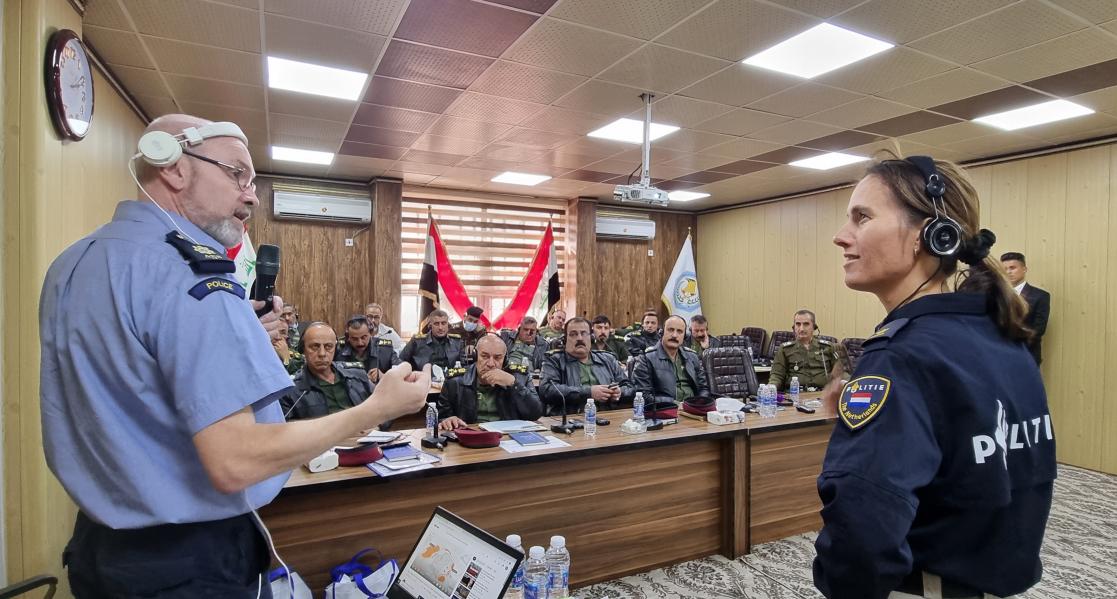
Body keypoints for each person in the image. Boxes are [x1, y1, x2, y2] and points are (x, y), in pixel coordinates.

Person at [39, 114, 430, 597]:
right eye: (236, 174)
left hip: (100, 551)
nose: (251, 195)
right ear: (174, 168)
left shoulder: (75, 261)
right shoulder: (194, 279)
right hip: (185, 565)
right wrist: (377, 409)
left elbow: (128, 377)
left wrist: (232, 324)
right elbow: (235, 462)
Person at [816, 155, 1055, 599]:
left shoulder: (899, 357)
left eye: (862, 217)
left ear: (929, 235)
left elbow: (863, 527)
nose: (841, 236)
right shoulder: (1002, 336)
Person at [437, 334, 543, 430]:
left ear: (505, 360)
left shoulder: (520, 377)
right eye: (485, 356)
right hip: (470, 437)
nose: (491, 363)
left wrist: (514, 384)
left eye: (498, 358)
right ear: (475, 356)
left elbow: (535, 414)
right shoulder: (454, 381)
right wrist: (447, 420)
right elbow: (441, 418)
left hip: (507, 438)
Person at [281, 323, 377, 421]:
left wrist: (376, 426)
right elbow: (287, 429)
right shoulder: (291, 391)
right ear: (303, 349)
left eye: (328, 347)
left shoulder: (358, 376)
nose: (322, 353)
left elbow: (381, 409)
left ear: (336, 349)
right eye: (315, 346)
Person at [540, 318, 634, 415]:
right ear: (565, 339)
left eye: (584, 333)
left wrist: (619, 392)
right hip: (570, 420)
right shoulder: (554, 360)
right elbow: (547, 390)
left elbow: (629, 387)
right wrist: (589, 392)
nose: (580, 338)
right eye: (573, 334)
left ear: (591, 338)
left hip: (607, 419)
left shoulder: (608, 359)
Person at [632, 315, 710, 405]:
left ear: (684, 336)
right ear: (661, 332)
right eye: (670, 330)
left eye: (679, 331)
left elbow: (703, 388)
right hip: (665, 411)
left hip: (693, 410)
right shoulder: (646, 358)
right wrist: (674, 403)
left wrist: (700, 403)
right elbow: (643, 396)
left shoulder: (692, 357)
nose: (674, 335)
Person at [769, 309, 849, 391]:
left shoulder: (828, 347)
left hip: (822, 394)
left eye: (806, 324)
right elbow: (777, 375)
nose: (801, 329)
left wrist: (846, 383)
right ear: (794, 327)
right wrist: (771, 388)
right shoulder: (785, 349)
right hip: (795, 394)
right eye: (798, 324)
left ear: (814, 327)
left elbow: (841, 373)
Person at [1000, 252, 1050, 366]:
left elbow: (1039, 329)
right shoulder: (997, 295)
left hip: (1027, 353)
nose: (1008, 272)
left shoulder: (1040, 296)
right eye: (1005, 269)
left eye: (1012, 268)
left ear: (1024, 269)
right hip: (999, 354)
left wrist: (1014, 345)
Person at [336, 315, 400, 382]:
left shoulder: (385, 349)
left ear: (371, 334)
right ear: (348, 337)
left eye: (364, 337)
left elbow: (402, 370)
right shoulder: (338, 348)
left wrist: (383, 376)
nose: (360, 343)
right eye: (354, 339)